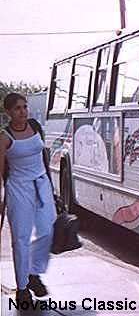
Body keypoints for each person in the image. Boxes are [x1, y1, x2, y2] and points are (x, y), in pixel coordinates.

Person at [0, 93, 55, 304]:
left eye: (24, 107)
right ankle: (22, 287)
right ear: (8, 112)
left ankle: (33, 273)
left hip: (41, 184)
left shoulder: (35, 126)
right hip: (18, 189)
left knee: (48, 230)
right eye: (17, 108)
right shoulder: (5, 137)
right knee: (20, 240)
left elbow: (44, 157)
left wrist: (52, 187)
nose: (23, 112)